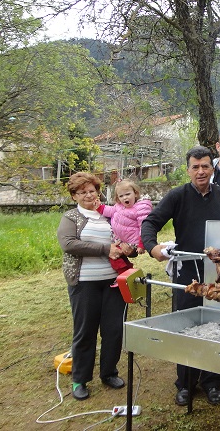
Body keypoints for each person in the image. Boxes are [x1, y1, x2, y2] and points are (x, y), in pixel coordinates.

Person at [141, 146, 220, 407]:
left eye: (205, 166)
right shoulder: (177, 196)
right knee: (187, 326)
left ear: (212, 168)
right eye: (195, 167)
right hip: (187, 273)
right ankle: (185, 383)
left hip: (216, 273)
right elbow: (150, 223)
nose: (201, 171)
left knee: (216, 325)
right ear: (188, 170)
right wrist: (153, 248)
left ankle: (212, 381)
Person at [57, 172, 129, 401]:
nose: (88, 195)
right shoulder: (71, 217)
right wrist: (105, 249)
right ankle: (80, 379)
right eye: (82, 192)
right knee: (85, 331)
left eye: (92, 191)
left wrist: (129, 247)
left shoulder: (110, 214)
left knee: (113, 330)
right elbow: (69, 244)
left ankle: (109, 373)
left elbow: (125, 236)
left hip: (113, 282)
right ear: (74, 196)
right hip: (84, 283)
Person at [95, 179, 153, 273]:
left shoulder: (141, 208)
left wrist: (142, 244)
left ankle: (124, 272)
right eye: (121, 196)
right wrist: (100, 207)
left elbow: (144, 227)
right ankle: (127, 271)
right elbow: (110, 211)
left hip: (133, 241)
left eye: (127, 194)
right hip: (120, 239)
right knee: (116, 256)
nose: (125, 198)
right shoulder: (119, 206)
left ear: (135, 193)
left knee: (115, 257)